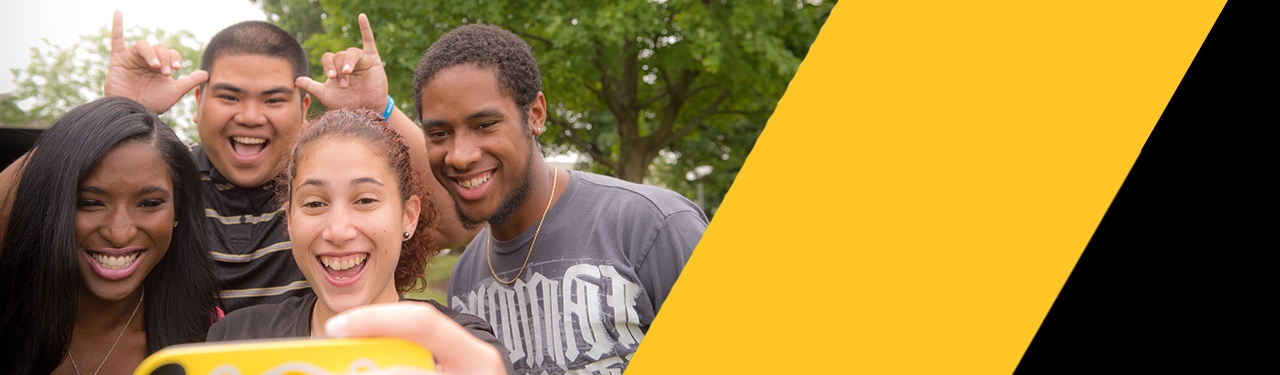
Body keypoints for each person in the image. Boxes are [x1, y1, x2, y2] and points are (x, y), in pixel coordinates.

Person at [90, 11, 474, 312]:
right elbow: (57, 226)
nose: (250, 116)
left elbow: (459, 225)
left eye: (273, 100)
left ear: (304, 107)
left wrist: (379, 109)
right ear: (198, 101)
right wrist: (120, 111)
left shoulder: (331, 189)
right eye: (229, 97)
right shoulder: (162, 180)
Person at [414, 25, 709, 374]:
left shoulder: (654, 227)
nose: (460, 156)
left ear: (535, 115)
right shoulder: (466, 276)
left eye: (484, 125)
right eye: (439, 134)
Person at [206, 108, 512, 375]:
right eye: (314, 203)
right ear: (289, 219)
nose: (338, 231)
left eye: (365, 200)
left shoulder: (463, 350)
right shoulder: (234, 341)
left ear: (408, 216)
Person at [0, 97, 221, 374]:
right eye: (90, 203)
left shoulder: (211, 337)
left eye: (149, 203)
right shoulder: (10, 320)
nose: (119, 234)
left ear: (178, 210)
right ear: (53, 205)